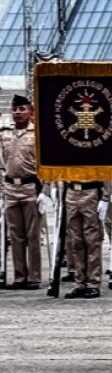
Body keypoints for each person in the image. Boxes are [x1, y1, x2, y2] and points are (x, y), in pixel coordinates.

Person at [0, 95, 46, 290]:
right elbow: (1, 163)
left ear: (31, 112)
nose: (17, 112)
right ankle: (19, 276)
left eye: (22, 109)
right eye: (15, 109)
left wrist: (45, 190)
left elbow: (43, 165)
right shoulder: (4, 134)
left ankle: (34, 276)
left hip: (30, 188)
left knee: (32, 235)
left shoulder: (37, 134)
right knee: (15, 236)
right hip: (11, 188)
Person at [62, 180, 108, 299]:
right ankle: (79, 282)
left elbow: (105, 171)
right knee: (75, 241)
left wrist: (106, 197)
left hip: (91, 191)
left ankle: (93, 282)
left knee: (92, 240)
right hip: (71, 191)